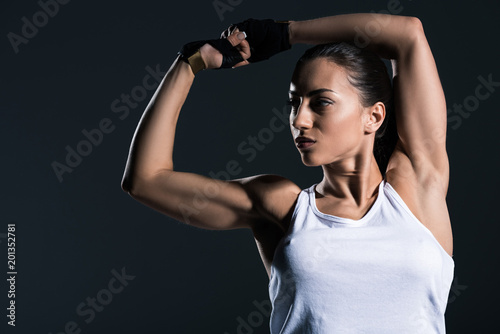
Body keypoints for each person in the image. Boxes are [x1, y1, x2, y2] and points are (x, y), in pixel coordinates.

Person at [121, 13, 454, 333]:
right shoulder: (283, 206)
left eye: (321, 102)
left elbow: (408, 34)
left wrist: (286, 34)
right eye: (294, 104)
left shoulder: (417, 189)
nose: (299, 120)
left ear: (374, 117)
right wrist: (190, 62)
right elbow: (146, 180)